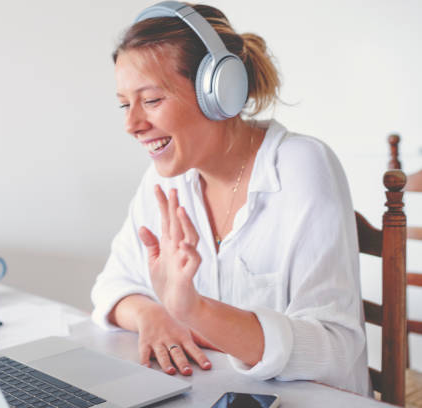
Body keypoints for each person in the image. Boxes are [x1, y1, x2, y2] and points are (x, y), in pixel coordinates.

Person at [90, 1, 371, 397]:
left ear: (219, 91)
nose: (131, 124)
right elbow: (109, 287)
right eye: (124, 104)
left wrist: (194, 311)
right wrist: (150, 312)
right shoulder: (165, 179)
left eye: (151, 100)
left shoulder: (301, 166)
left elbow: (336, 350)